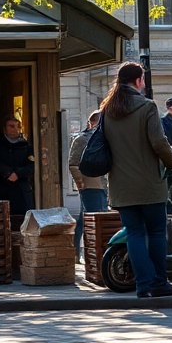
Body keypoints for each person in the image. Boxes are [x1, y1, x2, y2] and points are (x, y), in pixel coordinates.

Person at [100, 61, 172, 298]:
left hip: (120, 185)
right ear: (138, 80)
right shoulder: (147, 106)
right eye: (143, 79)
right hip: (149, 183)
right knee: (157, 232)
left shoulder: (108, 109)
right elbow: (159, 142)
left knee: (134, 233)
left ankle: (142, 285)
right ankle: (159, 283)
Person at [68, 109, 109, 261]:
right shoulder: (82, 139)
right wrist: (80, 182)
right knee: (92, 220)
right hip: (90, 184)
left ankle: (78, 252)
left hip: (101, 184)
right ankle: (89, 255)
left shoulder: (105, 138)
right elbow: (73, 163)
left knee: (85, 218)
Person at [0, 116, 35, 217]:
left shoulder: (26, 146)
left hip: (21, 191)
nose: (15, 129)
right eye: (11, 126)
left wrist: (18, 173)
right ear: (4, 128)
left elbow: (32, 165)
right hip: (1, 189)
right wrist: (7, 173)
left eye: (18, 126)